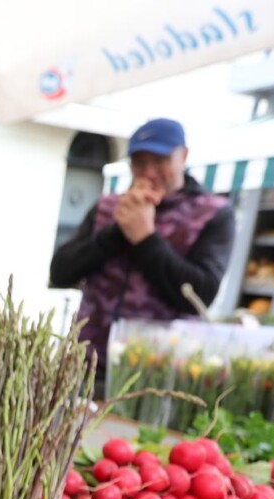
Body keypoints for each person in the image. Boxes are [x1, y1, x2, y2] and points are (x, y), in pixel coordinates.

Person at [50, 118, 235, 383]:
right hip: (86, 363)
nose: (149, 173)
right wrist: (117, 232)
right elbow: (60, 272)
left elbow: (200, 293)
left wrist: (146, 238)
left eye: (159, 161)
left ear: (183, 156)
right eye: (139, 163)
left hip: (159, 371)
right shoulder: (108, 206)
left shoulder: (212, 213)